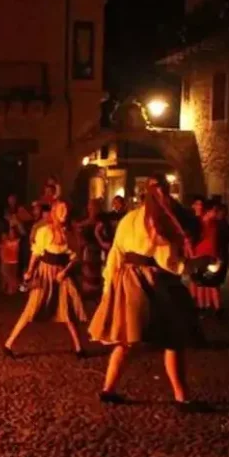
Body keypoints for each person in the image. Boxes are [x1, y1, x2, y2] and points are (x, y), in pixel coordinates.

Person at [89, 176, 202, 411]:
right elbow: (167, 261)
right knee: (171, 339)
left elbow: (116, 254)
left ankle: (109, 389)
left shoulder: (131, 218)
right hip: (150, 281)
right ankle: (182, 398)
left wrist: (110, 283)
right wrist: (191, 266)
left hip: (129, 278)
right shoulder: (157, 221)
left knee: (129, 341)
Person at [3, 201, 87, 358]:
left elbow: (75, 257)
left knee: (68, 310)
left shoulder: (68, 233)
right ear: (55, 212)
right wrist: (29, 271)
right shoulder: (45, 231)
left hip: (61, 274)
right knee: (31, 309)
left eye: (66, 210)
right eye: (61, 210)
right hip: (45, 272)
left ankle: (79, 349)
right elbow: (36, 253)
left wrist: (65, 271)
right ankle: (8, 343)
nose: (65, 213)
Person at [76, 198, 106, 301]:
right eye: (89, 205)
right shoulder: (86, 220)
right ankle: (88, 292)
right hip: (87, 250)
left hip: (94, 250)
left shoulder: (99, 222)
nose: (89, 207)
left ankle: (93, 293)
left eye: (91, 206)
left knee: (93, 270)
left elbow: (102, 237)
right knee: (87, 270)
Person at [0, 227, 21, 295]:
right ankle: (11, 290)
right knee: (10, 276)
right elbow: (0, 248)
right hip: (8, 260)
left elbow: (12, 247)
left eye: (12, 232)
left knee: (9, 275)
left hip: (10, 261)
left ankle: (20, 287)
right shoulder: (8, 241)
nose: (10, 233)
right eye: (10, 232)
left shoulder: (15, 241)